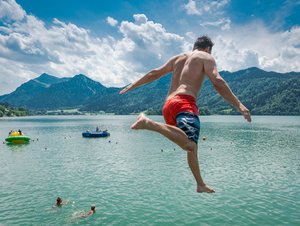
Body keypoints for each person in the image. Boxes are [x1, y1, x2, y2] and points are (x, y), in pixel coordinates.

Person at [119, 35, 251, 193]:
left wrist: (132, 85)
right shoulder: (206, 56)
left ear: (194, 46)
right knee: (189, 143)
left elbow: (154, 73)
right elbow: (217, 81)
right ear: (208, 48)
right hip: (184, 103)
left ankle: (200, 184)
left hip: (168, 106)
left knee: (192, 147)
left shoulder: (178, 58)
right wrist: (239, 105)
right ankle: (148, 123)